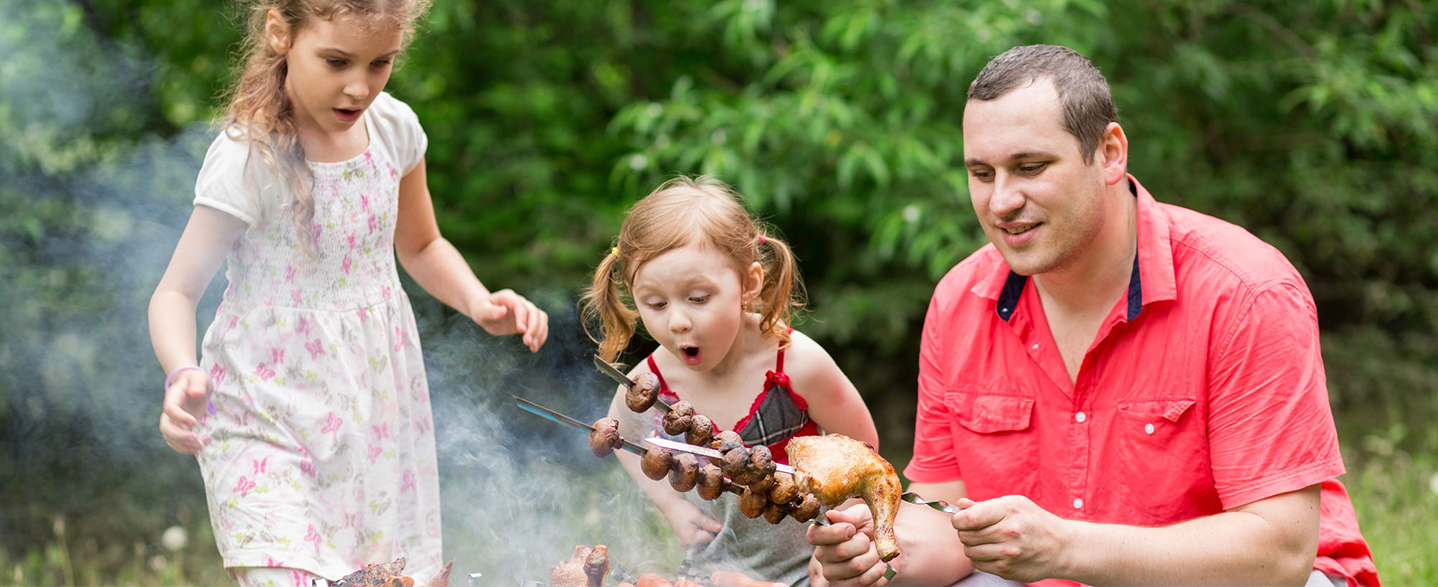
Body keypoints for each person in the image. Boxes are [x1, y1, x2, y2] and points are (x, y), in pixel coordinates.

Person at [806, 45, 1377, 587]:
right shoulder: (960, 300)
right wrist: (878, 554)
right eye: (982, 174)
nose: (1001, 201)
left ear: (1109, 153)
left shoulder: (1245, 293)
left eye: (1029, 167)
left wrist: (1064, 547)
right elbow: (945, 521)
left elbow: (1279, 554)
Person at [148, 1, 550, 585]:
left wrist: (478, 301)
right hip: (263, 414)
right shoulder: (247, 157)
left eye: (380, 63)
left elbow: (421, 245)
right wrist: (180, 371)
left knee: (382, 576)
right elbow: (176, 292)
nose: (359, 86)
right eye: (336, 61)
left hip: (375, 415)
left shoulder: (394, 130)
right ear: (281, 33)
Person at [581, 176, 880, 586]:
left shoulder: (796, 364)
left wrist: (843, 537)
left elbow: (864, 452)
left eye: (699, 298)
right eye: (655, 303)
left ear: (749, 284)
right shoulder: (646, 386)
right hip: (714, 570)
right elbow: (622, 439)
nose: (678, 320)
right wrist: (673, 507)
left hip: (816, 570)